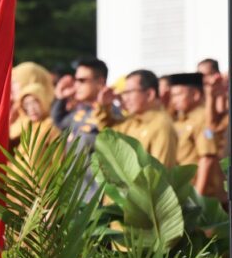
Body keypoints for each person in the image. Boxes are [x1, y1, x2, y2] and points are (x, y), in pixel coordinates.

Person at [51, 57, 114, 199]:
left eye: (82, 80)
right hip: (74, 196)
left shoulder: (110, 116)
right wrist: (60, 98)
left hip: (95, 198)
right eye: (75, 80)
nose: (76, 85)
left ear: (100, 82)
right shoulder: (81, 112)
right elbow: (59, 121)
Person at [168, 72, 219, 195]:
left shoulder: (203, 118)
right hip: (183, 189)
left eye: (178, 94)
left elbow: (207, 158)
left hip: (198, 192)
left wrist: (198, 195)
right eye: (172, 96)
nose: (174, 100)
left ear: (195, 94)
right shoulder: (179, 119)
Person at [115, 69, 178, 167]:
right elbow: (108, 135)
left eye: (129, 92)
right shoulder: (133, 120)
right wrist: (103, 107)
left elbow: (159, 174)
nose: (125, 98)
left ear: (149, 94)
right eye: (124, 93)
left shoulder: (161, 125)